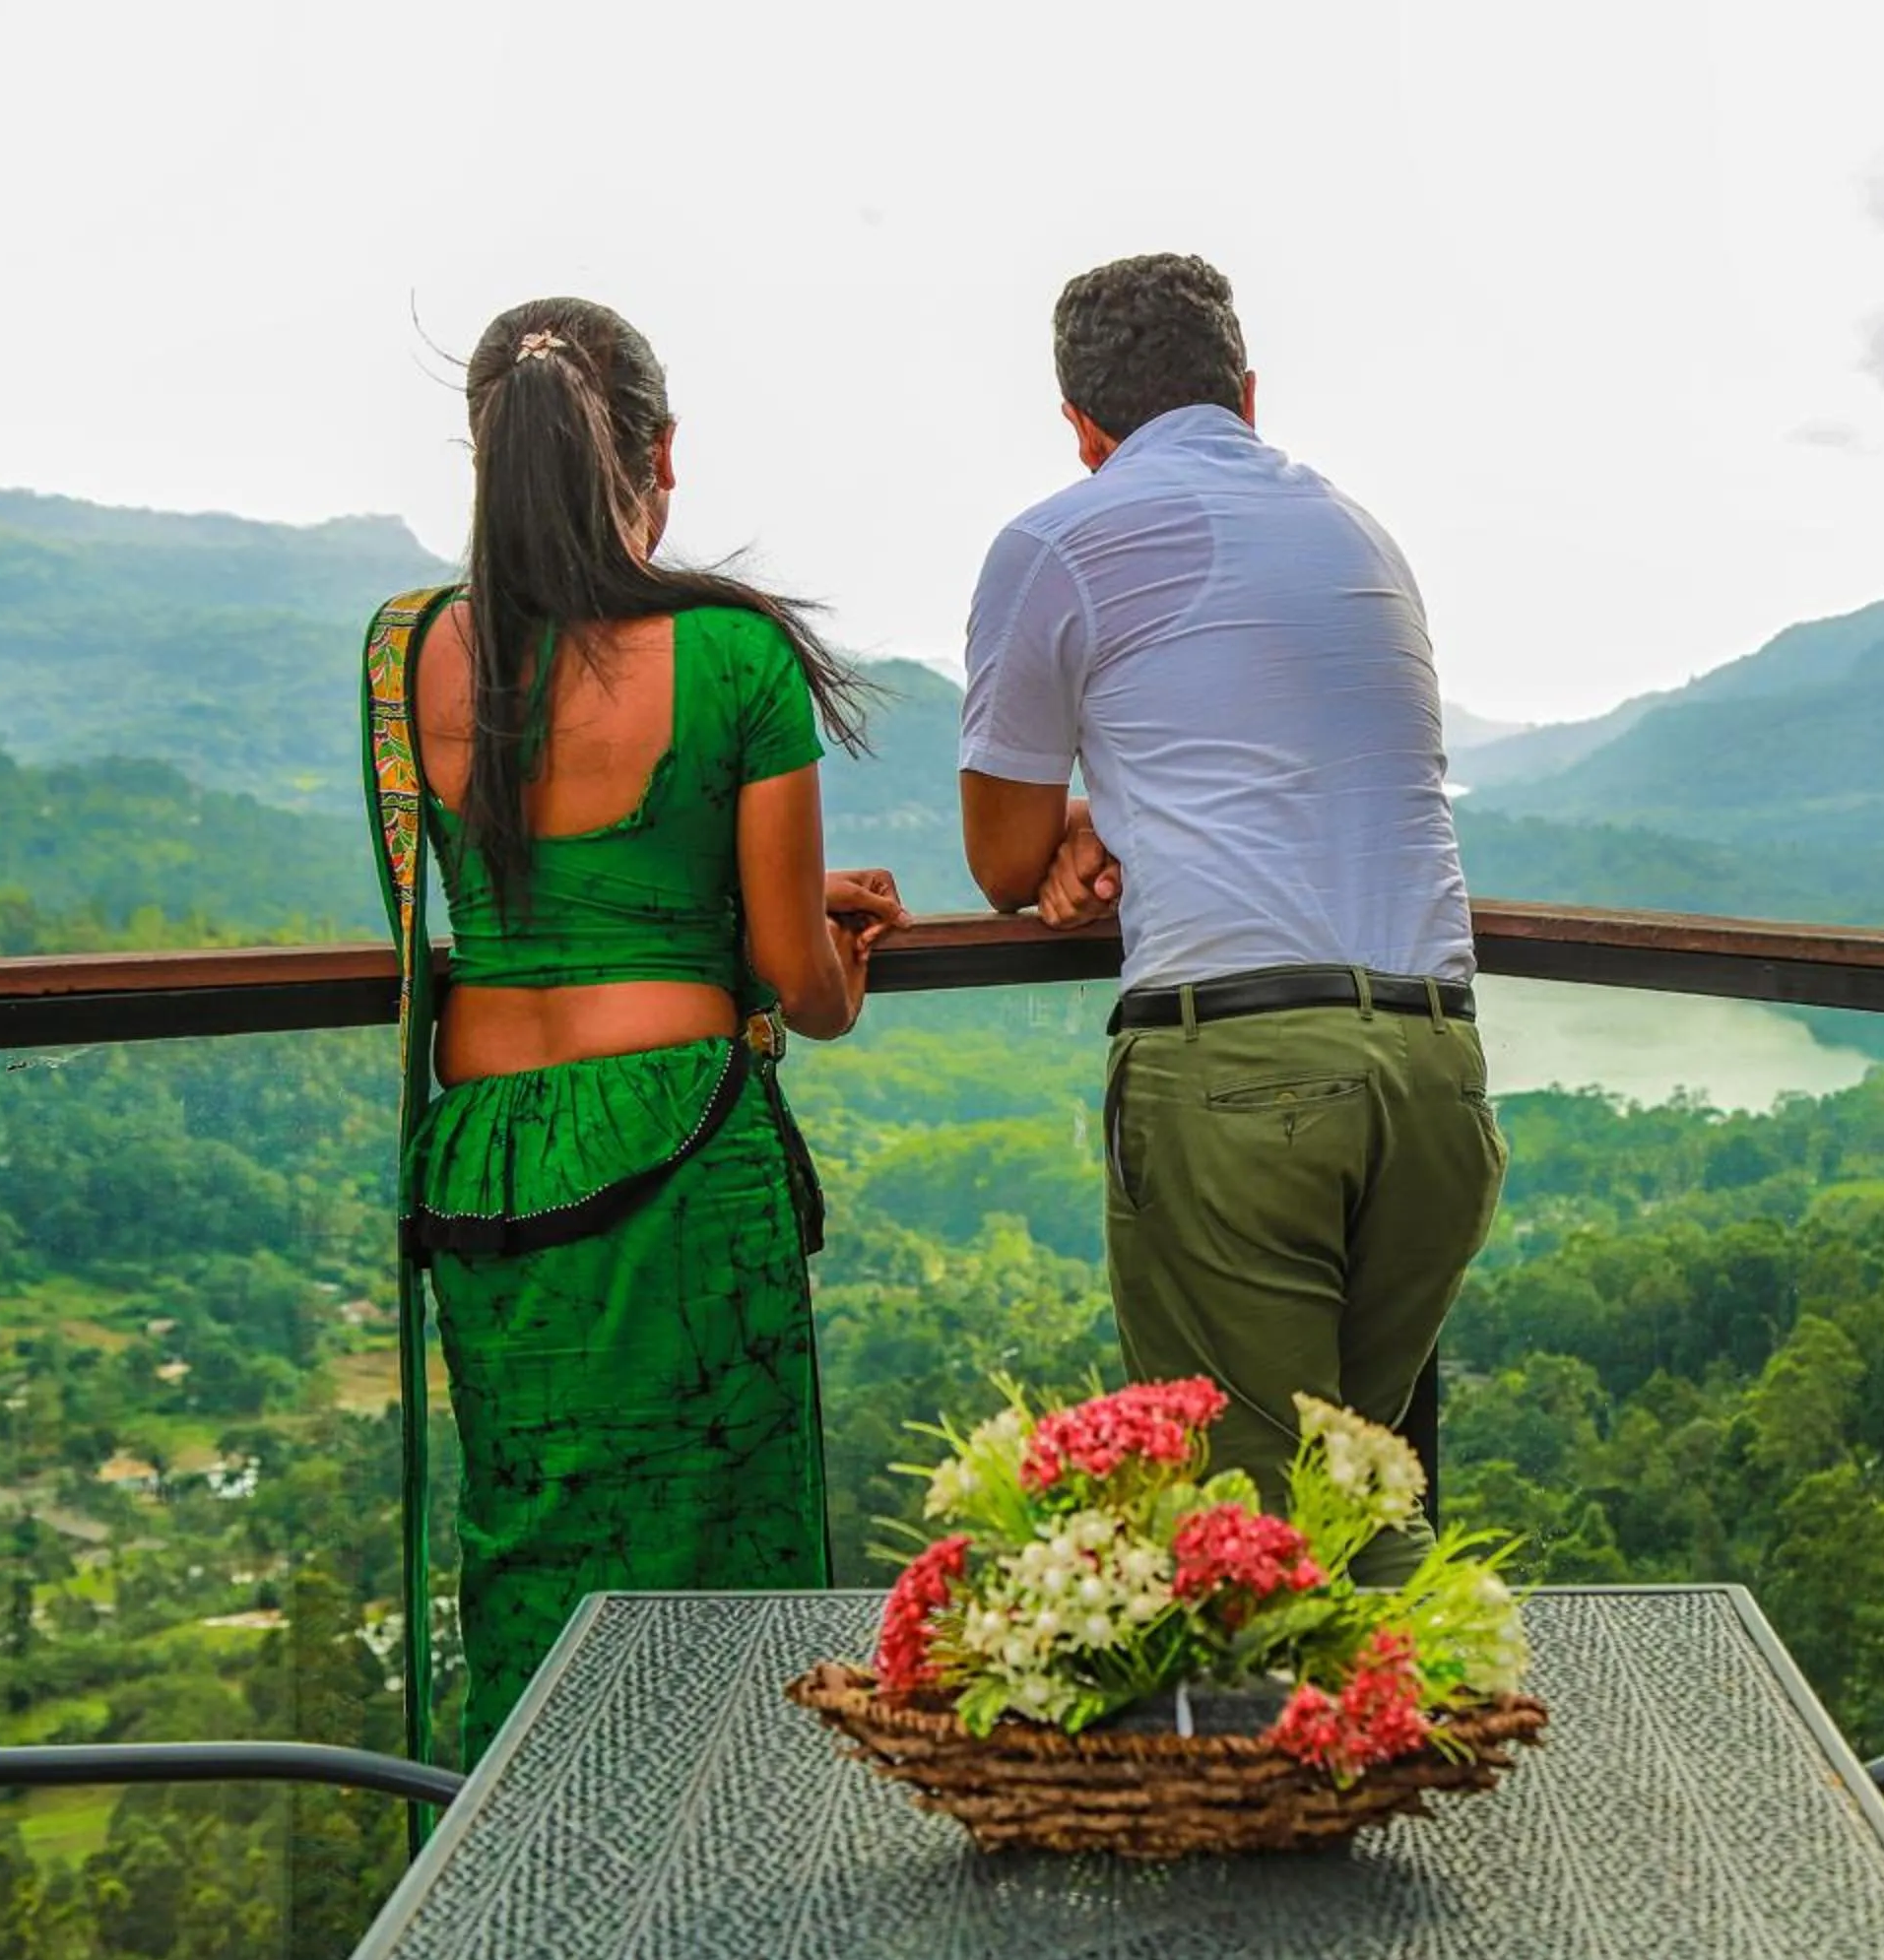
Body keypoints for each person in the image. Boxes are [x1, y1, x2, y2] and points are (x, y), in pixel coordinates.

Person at [362, 296, 904, 1757]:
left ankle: (526, 1847)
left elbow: (507, 893)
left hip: (484, 1163)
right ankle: (726, 1856)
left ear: (484, 455)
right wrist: (833, 953)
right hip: (680, 1146)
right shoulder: (732, 654)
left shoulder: (403, 652)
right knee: (722, 1563)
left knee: (531, 1548)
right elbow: (801, 987)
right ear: (661, 458)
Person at [955, 253, 1503, 1582]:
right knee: (1360, 1499)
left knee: (1253, 1544)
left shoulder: (1061, 541)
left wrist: (1090, 821)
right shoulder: (1359, 533)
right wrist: (1124, 810)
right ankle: (1430, 1703)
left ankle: (1396, 1697)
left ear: (1081, 428)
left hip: (1243, 1082)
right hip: (1435, 1069)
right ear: (1248, 394)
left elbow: (1003, 860)